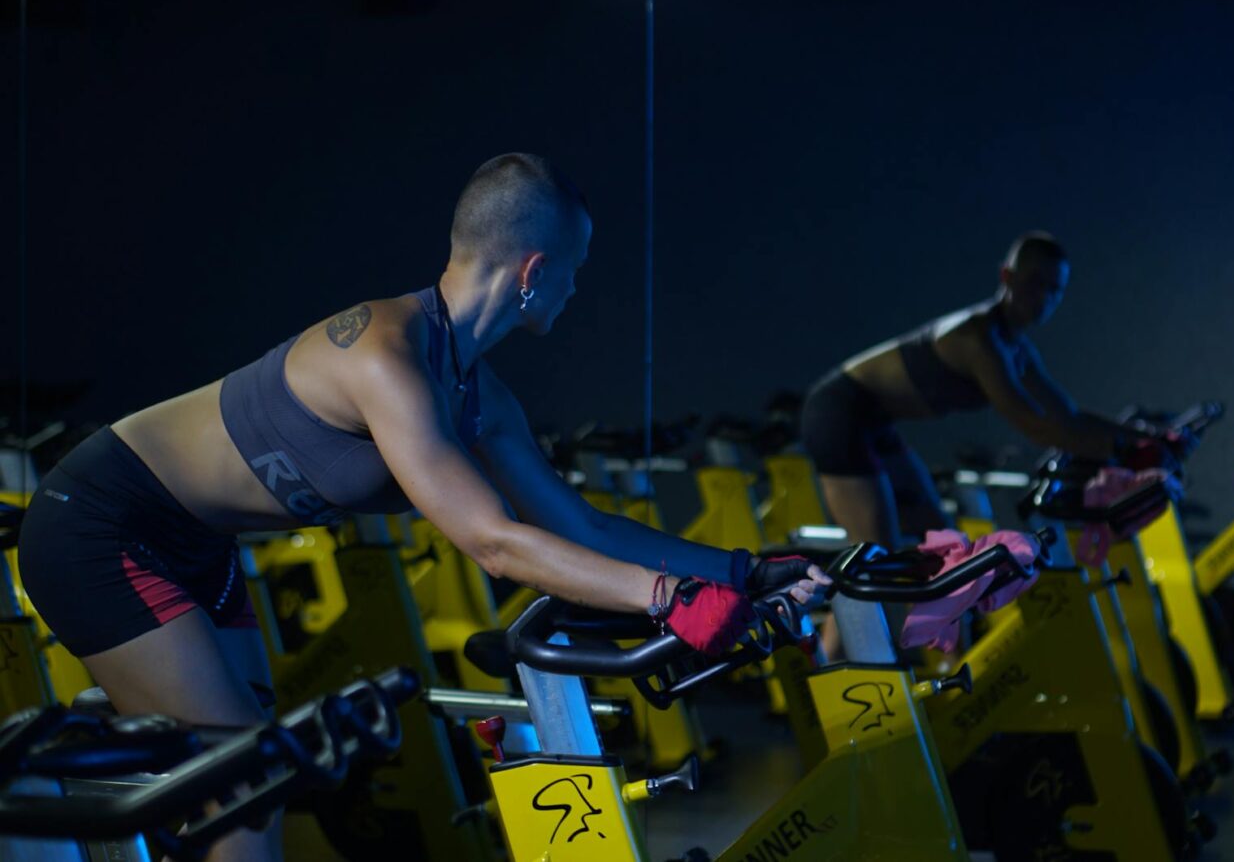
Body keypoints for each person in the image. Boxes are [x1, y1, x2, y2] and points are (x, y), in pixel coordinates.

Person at [17, 154, 829, 861]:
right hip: (99, 522)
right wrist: (665, 598)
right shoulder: (382, 350)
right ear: (532, 271)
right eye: (577, 267)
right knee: (242, 787)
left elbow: (579, 525)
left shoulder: (483, 396)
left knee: (248, 782)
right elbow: (495, 543)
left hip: (199, 545)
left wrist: (745, 571)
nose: (579, 287)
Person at [800, 231, 1187, 549]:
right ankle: (832, 643)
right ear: (1006, 277)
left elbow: (1067, 414)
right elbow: (1033, 426)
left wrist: (1146, 438)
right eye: (1036, 284)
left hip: (872, 423)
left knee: (940, 540)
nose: (1045, 299)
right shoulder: (978, 339)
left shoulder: (1016, 347)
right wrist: (1123, 454)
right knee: (874, 557)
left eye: (1056, 290)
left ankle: (916, 642)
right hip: (839, 413)